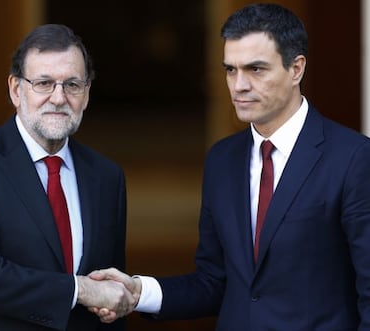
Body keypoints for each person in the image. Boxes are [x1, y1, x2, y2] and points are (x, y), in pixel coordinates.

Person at [90, 3, 370, 330]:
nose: (239, 86)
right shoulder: (222, 159)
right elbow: (214, 282)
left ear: (296, 69)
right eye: (230, 70)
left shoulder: (353, 158)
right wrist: (139, 292)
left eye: (256, 69)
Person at [0, 24, 136, 331]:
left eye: (72, 85)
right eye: (43, 83)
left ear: (87, 93)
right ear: (16, 89)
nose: (58, 98)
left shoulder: (106, 177)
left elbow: (110, 294)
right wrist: (81, 290)